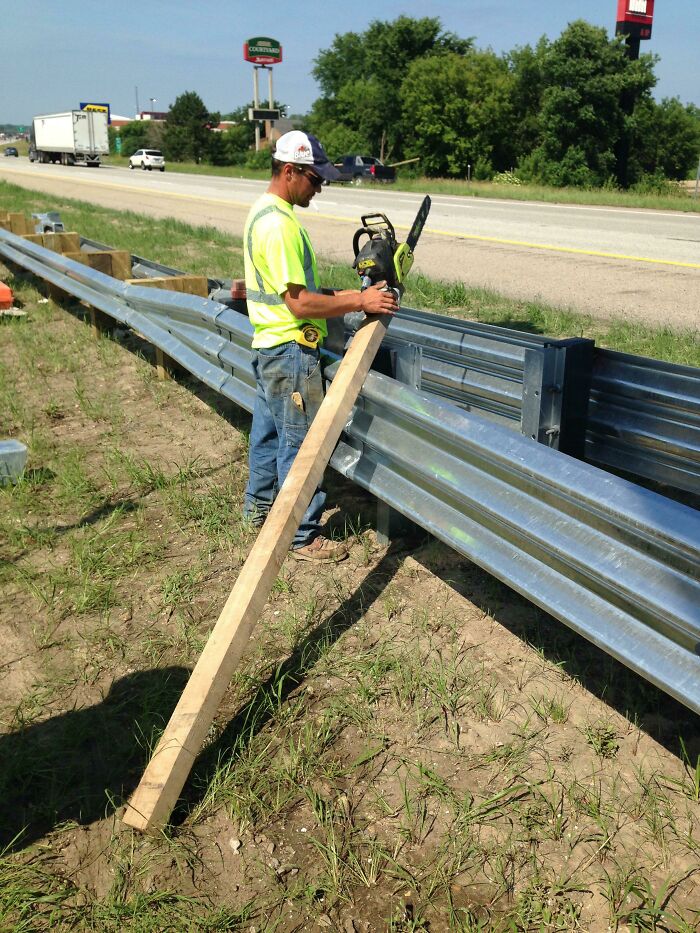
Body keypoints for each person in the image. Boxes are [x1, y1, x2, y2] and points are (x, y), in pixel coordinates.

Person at [242, 130, 398, 561]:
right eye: (315, 179)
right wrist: (361, 299)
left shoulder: (265, 212)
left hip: (268, 345)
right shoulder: (279, 226)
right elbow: (299, 302)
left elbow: (289, 289)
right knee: (301, 444)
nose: (319, 187)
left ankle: (257, 513)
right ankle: (299, 535)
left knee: (268, 435)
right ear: (289, 171)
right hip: (291, 349)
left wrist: (342, 294)